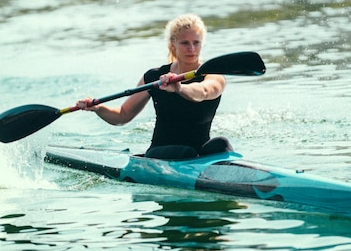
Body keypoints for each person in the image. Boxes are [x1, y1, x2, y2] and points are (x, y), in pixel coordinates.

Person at [76, 13, 233, 160]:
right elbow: (122, 115)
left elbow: (204, 92)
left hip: (198, 153)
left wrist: (179, 88)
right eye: (185, 43)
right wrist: (98, 108)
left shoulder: (214, 75)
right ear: (173, 44)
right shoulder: (154, 77)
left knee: (221, 144)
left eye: (196, 42)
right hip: (160, 153)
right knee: (185, 152)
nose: (191, 48)